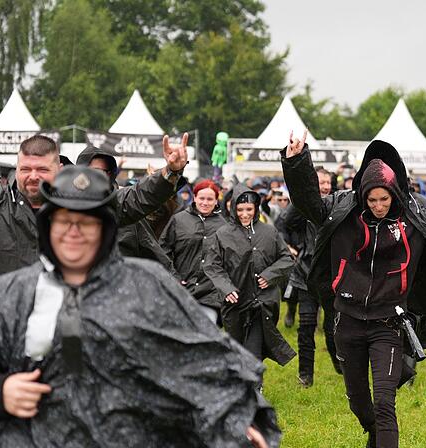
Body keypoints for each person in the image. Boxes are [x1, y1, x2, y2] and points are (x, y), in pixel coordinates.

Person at [0, 166, 289, 448]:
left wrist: (239, 419)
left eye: (87, 222)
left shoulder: (148, 286)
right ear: (48, 225)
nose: (74, 232)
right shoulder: (9, 295)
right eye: (64, 220)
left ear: (107, 228)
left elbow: (208, 362)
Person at [282, 133, 426, 448]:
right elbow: (308, 203)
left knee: (384, 401)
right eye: (373, 200)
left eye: (385, 200)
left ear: (394, 195)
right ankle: (374, 434)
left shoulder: (415, 214)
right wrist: (297, 160)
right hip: (347, 322)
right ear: (363, 195)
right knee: (358, 402)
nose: (379, 206)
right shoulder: (341, 208)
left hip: (388, 325)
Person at [0, 88, 188, 287]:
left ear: (59, 170)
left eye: (42, 169)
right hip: (4, 323)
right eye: (26, 169)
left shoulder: (83, 203)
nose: (32, 176)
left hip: (65, 326)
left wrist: (170, 173)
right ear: (16, 169)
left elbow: (134, 200)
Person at [203, 184, 296, 373]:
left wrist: (271, 275)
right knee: (237, 348)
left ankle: (255, 388)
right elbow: (212, 265)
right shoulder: (222, 234)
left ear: (255, 209)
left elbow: (286, 258)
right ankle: (241, 382)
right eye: (240, 210)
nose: (244, 214)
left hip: (263, 302)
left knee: (255, 348)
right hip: (235, 302)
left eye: (248, 209)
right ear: (233, 209)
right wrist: (226, 288)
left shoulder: (269, 232)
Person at [279, 167, 341, 386]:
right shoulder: (302, 205)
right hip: (305, 274)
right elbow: (286, 223)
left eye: (327, 182)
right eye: (320, 182)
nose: (324, 186)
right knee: (306, 328)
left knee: (333, 329)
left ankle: (337, 360)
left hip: (332, 277)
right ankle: (305, 375)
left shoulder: (338, 202)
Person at [75, 146, 176, 275]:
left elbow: (141, 196)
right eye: (94, 171)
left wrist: (170, 172)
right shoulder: (63, 207)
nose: (99, 177)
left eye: (105, 171)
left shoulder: (120, 204)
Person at [160, 179, 227, 323]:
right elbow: (163, 250)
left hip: (210, 292)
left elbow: (229, 260)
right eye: (201, 198)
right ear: (194, 197)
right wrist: (173, 276)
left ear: (216, 201)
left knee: (206, 334)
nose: (205, 202)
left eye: (210, 199)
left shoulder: (224, 226)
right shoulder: (178, 220)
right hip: (181, 288)